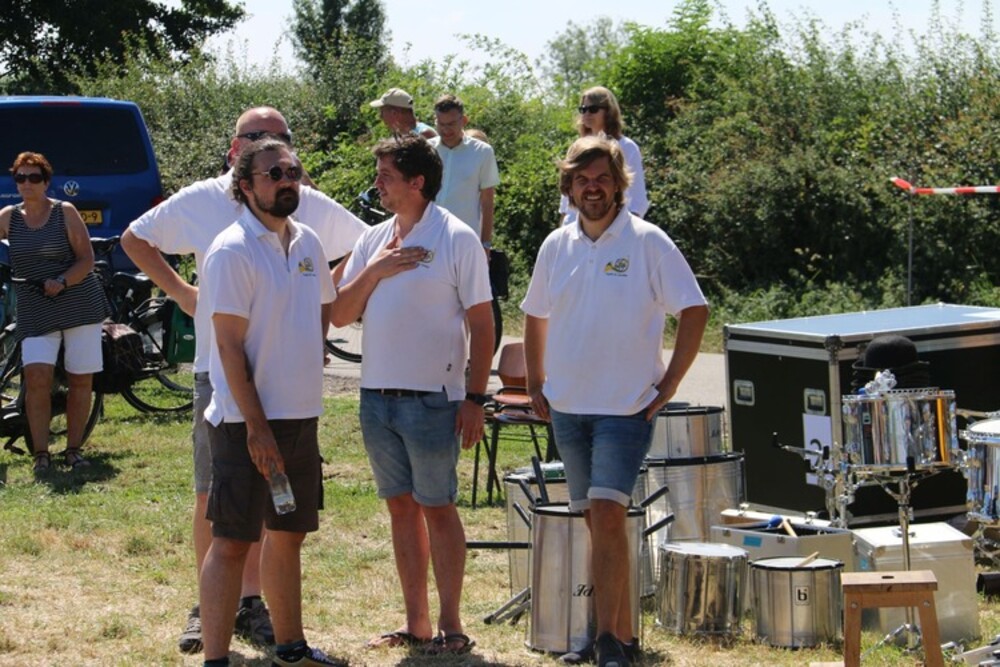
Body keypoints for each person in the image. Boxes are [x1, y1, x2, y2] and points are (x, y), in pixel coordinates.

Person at [121, 106, 366, 654]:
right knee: (220, 509)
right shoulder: (215, 217)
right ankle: (212, 619)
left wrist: (312, 327)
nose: (284, 172)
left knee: (285, 526)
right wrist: (185, 296)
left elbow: (363, 244)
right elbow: (136, 238)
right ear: (239, 159)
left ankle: (267, 621)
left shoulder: (304, 227)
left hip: (294, 404)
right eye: (264, 150)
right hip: (227, 387)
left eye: (289, 158)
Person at [523, 136, 708, 667]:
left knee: (607, 514)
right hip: (567, 407)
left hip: (625, 409)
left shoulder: (648, 241)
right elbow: (535, 314)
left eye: (602, 178)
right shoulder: (556, 244)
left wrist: (670, 383)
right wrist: (536, 382)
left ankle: (603, 640)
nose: (592, 188)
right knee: (595, 521)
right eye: (582, 180)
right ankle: (621, 637)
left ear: (619, 184)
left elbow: (694, 309)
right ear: (569, 187)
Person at [331, 134, 493, 655]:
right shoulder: (373, 238)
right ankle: (416, 623)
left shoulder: (457, 237)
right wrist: (376, 269)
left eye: (386, 176)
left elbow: (483, 323)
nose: (376, 184)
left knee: (437, 507)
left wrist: (475, 398)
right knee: (400, 509)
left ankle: (452, 625)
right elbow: (339, 313)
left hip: (433, 400)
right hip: (376, 398)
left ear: (417, 182)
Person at [199, 138, 339, 667]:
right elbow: (228, 348)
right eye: (273, 173)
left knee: (288, 535)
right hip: (244, 424)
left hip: (300, 418)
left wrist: (309, 346)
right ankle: (216, 658)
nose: (286, 181)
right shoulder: (232, 249)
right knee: (233, 541)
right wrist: (256, 427)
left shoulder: (307, 242)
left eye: (293, 172)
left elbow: (323, 305)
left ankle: (291, 648)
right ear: (245, 186)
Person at [0, 152, 109, 475]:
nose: (27, 184)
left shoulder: (65, 212)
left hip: (78, 302)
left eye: (34, 177)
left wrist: (62, 281)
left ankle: (73, 449)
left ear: (46, 182)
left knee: (80, 378)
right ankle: (41, 453)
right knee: (36, 378)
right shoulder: (8, 217)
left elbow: (86, 259)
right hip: (35, 306)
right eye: (20, 178)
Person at [560, 86, 649, 225]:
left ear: (608, 111)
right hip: (576, 229)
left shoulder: (626, 147)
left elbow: (637, 200)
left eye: (593, 109)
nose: (587, 114)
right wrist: (563, 230)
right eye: (583, 109)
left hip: (616, 228)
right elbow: (567, 201)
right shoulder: (576, 147)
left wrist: (626, 232)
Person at [429, 94, 500, 251]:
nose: (446, 130)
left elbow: (487, 202)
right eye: (441, 124)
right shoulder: (426, 149)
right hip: (428, 236)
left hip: (464, 242)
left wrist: (486, 244)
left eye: (451, 124)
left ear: (464, 121)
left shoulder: (483, 152)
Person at [369, 88, 437, 139]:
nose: (380, 116)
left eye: (382, 112)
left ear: (394, 113)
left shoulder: (425, 135)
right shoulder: (400, 136)